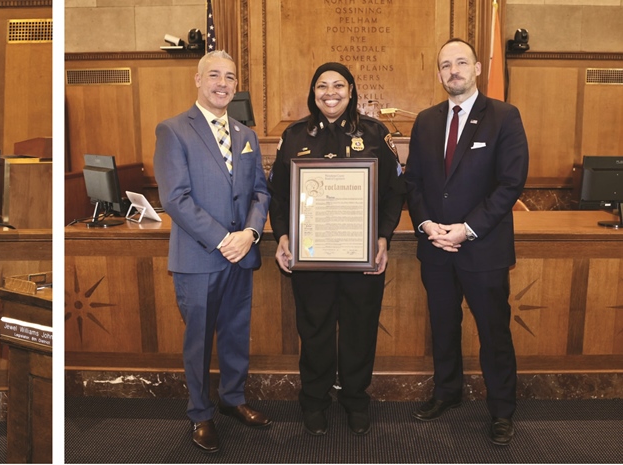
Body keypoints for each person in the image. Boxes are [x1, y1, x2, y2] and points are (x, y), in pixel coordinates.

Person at [268, 62, 405, 436]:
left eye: (338, 86)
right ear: (313, 93)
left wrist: (383, 238)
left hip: (362, 255)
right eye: (322, 87)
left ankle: (356, 400)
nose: (330, 93)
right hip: (311, 257)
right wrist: (282, 236)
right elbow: (278, 195)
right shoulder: (294, 135)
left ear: (351, 90)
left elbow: (395, 194)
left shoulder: (375, 133)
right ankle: (314, 401)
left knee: (360, 330)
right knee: (315, 331)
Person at [403, 38, 528, 446]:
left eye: (460, 62)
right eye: (444, 65)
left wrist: (466, 228)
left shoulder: (505, 117)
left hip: (482, 246)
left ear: (476, 68)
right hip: (436, 247)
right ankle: (447, 392)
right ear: (439, 73)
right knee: (443, 324)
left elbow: (510, 184)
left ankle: (502, 409)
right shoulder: (425, 120)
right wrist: (426, 224)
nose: (452, 70)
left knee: (493, 331)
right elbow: (415, 183)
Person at [153, 50, 272, 454]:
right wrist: (226, 239)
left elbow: (260, 191)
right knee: (199, 341)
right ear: (198, 79)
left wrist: (251, 233)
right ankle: (201, 414)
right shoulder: (173, 130)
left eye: (231, 77)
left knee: (237, 334)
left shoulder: (246, 135)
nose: (223, 83)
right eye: (215, 75)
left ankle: (233, 398)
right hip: (200, 257)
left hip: (242, 255)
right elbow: (176, 198)